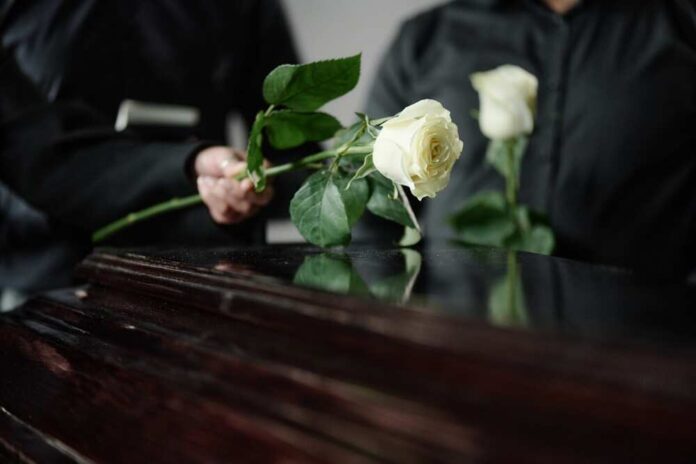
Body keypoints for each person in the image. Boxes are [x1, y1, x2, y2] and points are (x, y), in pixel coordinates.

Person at [366, 0, 696, 276]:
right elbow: (369, 216)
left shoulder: (683, 28)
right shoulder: (427, 38)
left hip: (635, 340)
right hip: (447, 336)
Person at [0, 0, 300, 296]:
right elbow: (30, 145)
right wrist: (192, 165)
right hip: (41, 278)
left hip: (196, 273)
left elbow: (292, 148)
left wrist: (246, 185)